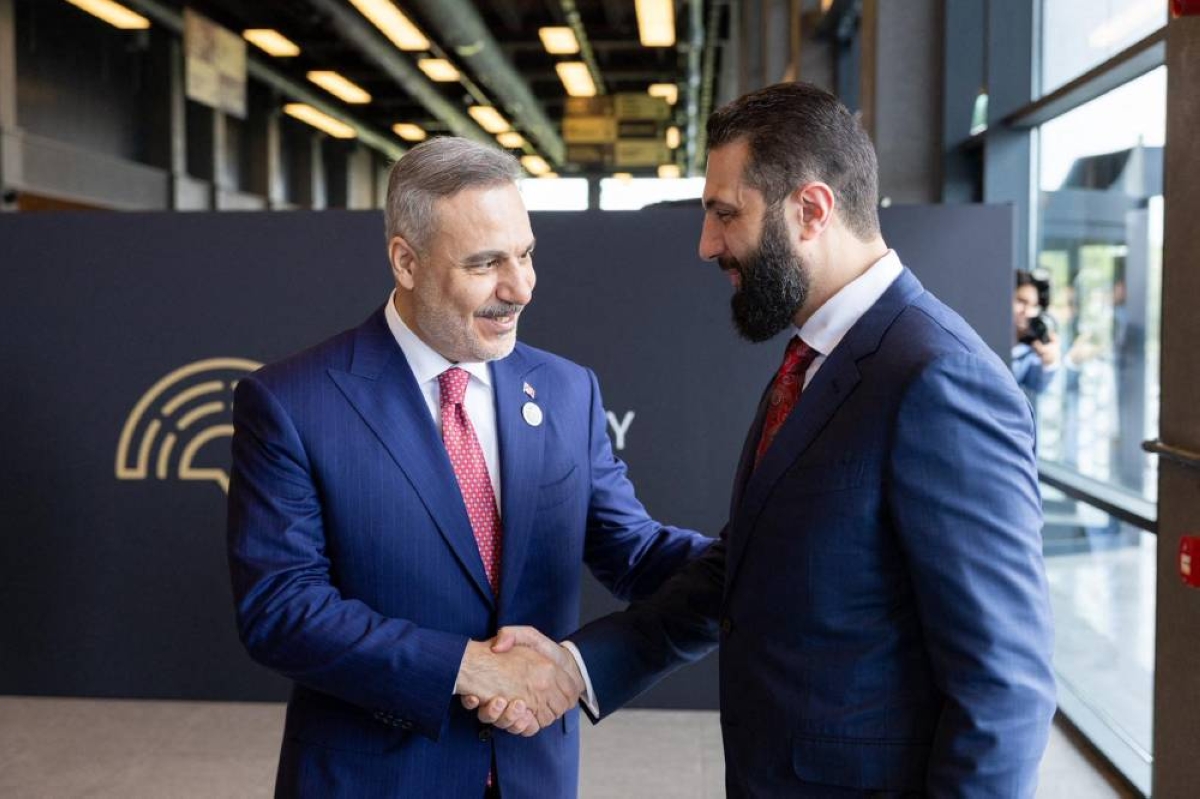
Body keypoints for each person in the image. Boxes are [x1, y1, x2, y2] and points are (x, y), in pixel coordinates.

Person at [477, 82, 1057, 797]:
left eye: (726, 215)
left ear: (811, 210)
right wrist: (578, 667)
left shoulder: (938, 378)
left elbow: (1005, 685)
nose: (706, 244)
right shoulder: (817, 358)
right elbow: (744, 570)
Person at [226, 137, 711, 798]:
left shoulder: (568, 390)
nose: (520, 288)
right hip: (374, 777)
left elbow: (631, 549)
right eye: (486, 263)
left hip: (531, 774)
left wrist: (756, 562)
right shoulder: (293, 402)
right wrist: (464, 667)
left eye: (526, 253)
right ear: (406, 259)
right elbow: (281, 608)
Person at [1012, 269, 1061, 394]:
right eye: (1021, 301)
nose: (1027, 312)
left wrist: (1049, 362)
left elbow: (1037, 385)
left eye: (1034, 306)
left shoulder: (1028, 349)